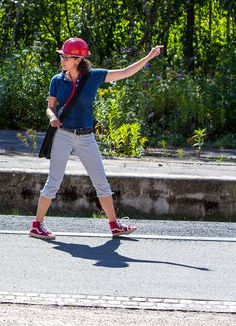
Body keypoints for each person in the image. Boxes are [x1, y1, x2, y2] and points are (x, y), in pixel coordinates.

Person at [29, 38, 164, 239]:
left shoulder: (94, 77)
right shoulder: (57, 80)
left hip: (86, 137)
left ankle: (114, 225)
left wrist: (148, 56)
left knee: (101, 182)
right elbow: (50, 106)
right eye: (62, 56)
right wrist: (52, 116)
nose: (62, 60)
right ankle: (37, 225)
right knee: (54, 181)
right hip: (63, 135)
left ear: (78, 59)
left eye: (66, 57)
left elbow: (126, 72)